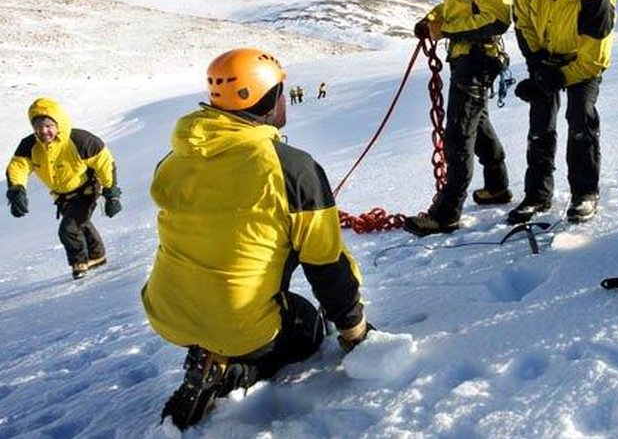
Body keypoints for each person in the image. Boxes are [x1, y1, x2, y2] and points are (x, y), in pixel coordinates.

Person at [141, 48, 372, 430]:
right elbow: (325, 262)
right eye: (281, 92)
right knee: (306, 325)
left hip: (167, 312)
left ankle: (209, 352)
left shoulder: (177, 156)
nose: (285, 100)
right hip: (239, 325)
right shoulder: (291, 167)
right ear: (267, 100)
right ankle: (230, 373)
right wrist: (354, 329)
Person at [404, 0, 513, 236]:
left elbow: (496, 19)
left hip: (478, 56)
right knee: (476, 123)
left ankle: (448, 212)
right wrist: (435, 19)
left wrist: (447, 30)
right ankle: (497, 186)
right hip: (467, 54)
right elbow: (458, 6)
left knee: (458, 133)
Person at [509, 0, 616, 224]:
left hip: (582, 64)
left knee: (581, 118)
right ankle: (537, 195)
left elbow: (594, 59)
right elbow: (522, 16)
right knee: (540, 123)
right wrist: (535, 63)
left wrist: (551, 79)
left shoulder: (598, 3)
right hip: (545, 54)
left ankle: (585, 194)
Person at [5, 97, 122, 279]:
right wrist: (16, 190)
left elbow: (105, 164)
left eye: (48, 125)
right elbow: (18, 167)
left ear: (59, 123)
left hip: (87, 190)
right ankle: (97, 256)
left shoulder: (81, 141)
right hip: (62, 195)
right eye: (38, 126)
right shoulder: (30, 146)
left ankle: (79, 264)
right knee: (79, 222)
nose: (43, 131)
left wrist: (112, 195)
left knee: (68, 229)